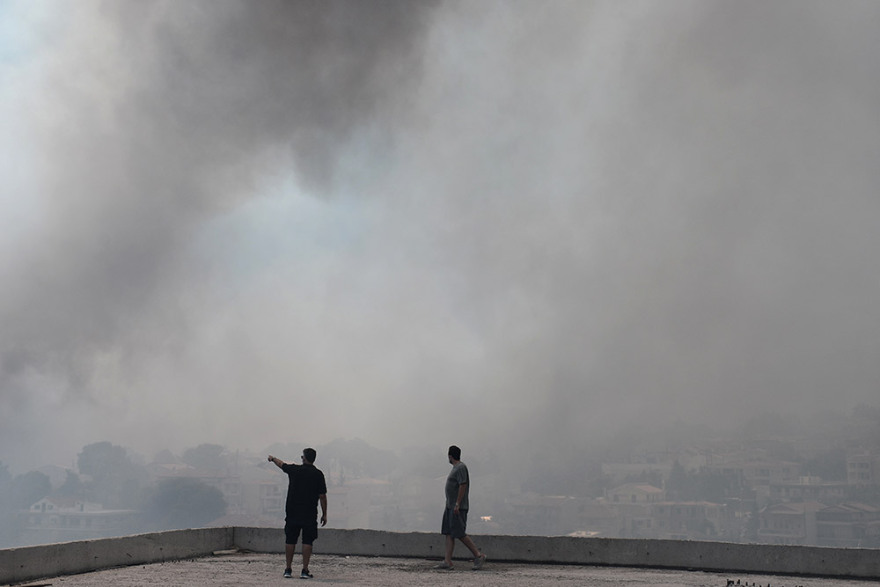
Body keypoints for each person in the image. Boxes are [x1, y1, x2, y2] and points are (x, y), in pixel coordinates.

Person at [268, 449, 327, 579]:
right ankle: (304, 570)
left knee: (290, 540)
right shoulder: (318, 474)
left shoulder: (295, 470)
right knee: (307, 541)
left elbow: (281, 464)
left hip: (292, 512)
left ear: (304, 458)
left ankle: (288, 569)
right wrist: (324, 514)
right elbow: (322, 496)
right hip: (310, 513)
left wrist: (272, 458)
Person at [437, 445, 486, 571]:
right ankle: (447, 561)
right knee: (448, 533)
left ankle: (478, 555)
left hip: (457, 507)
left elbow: (462, 485)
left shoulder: (460, 468)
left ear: (450, 456)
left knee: (459, 533)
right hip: (449, 506)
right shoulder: (455, 468)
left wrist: (458, 503)